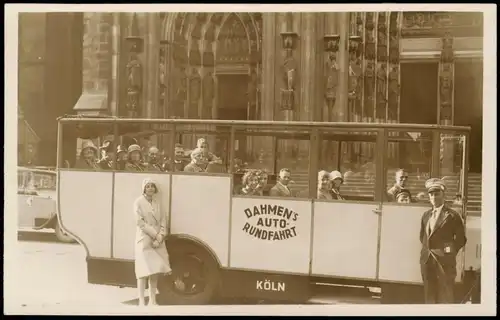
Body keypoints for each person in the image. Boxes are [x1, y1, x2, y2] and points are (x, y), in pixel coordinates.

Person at [419, 178, 467, 304]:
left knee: (445, 296)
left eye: (437, 194)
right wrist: (426, 253)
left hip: (444, 262)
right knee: (429, 296)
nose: (434, 197)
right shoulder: (426, 215)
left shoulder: (451, 215)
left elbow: (461, 239)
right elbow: (422, 237)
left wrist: (447, 252)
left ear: (443, 195)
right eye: (431, 194)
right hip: (427, 261)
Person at [134, 178, 171, 306]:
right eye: (147, 186)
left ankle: (152, 300)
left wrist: (160, 236)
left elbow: (163, 220)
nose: (150, 188)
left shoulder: (157, 203)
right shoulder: (138, 202)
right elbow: (140, 222)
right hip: (144, 238)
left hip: (157, 240)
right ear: (143, 188)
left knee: (154, 271)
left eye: (152, 186)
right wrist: (155, 235)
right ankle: (141, 300)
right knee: (143, 270)